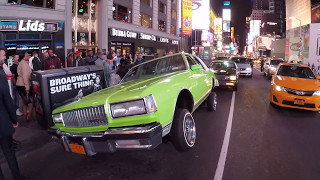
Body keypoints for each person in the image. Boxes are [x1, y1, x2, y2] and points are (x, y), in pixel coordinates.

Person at [0, 48, 24, 180]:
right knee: (9, 152)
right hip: (3, 123)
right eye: (3, 55)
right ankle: (17, 177)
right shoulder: (0, 74)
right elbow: (7, 100)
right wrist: (14, 120)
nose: (4, 58)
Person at [16, 52, 34, 121]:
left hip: (19, 84)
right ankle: (29, 116)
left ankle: (25, 116)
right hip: (24, 85)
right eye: (27, 56)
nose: (28, 57)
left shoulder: (21, 63)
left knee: (24, 101)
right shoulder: (24, 65)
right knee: (30, 101)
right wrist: (27, 88)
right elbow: (25, 77)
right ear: (24, 57)